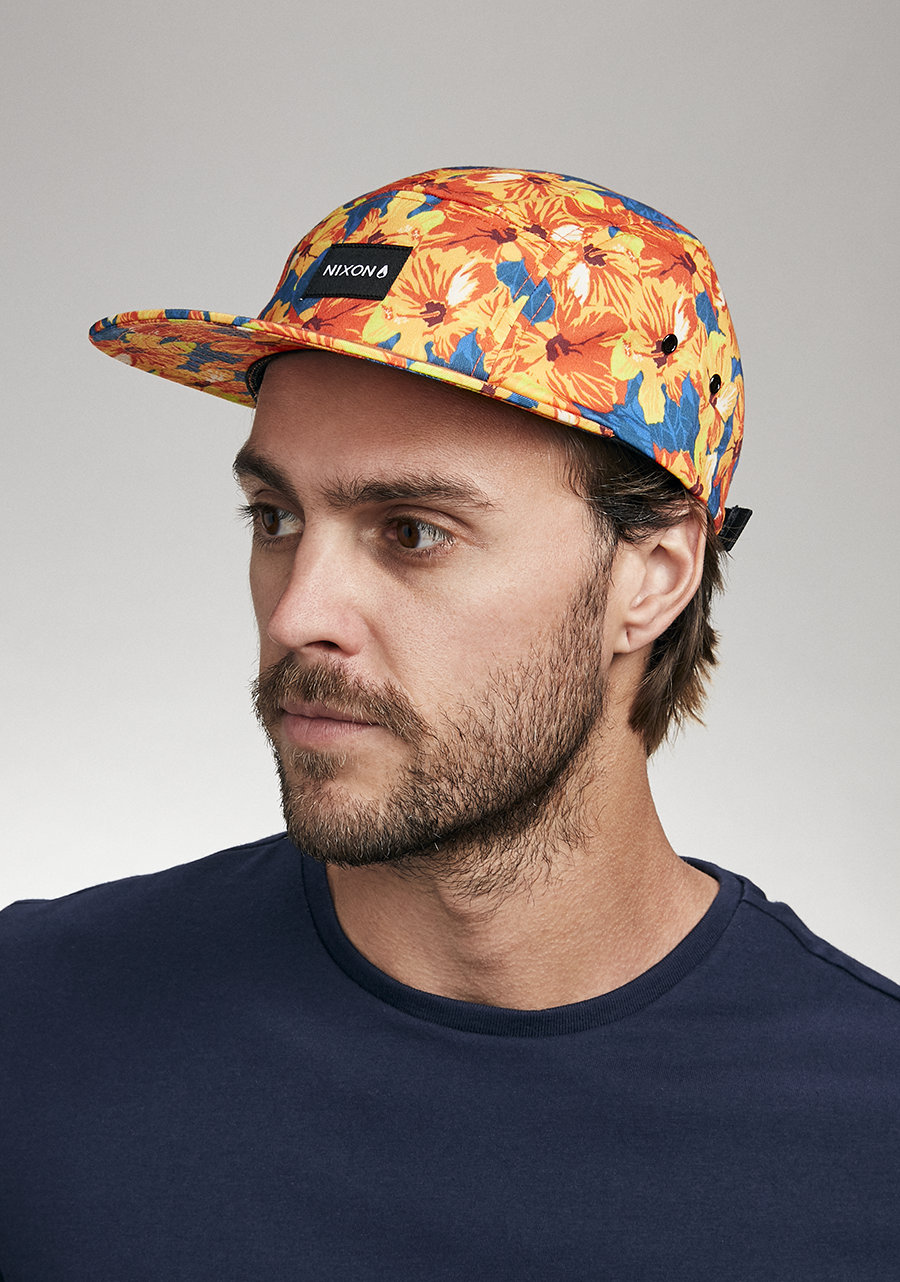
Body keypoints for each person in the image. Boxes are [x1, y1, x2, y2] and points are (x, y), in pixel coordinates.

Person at [1, 168, 897, 1279]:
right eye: (275, 517)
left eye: (413, 531)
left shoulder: (871, 1136)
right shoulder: (34, 1023)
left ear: (654, 577)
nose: (298, 614)